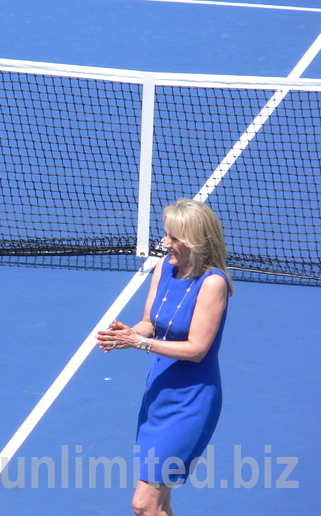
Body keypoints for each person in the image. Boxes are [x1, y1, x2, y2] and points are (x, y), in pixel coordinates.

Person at [96, 198, 233, 516]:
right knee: (160, 503)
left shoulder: (212, 284)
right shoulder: (164, 268)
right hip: (158, 394)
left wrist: (137, 343)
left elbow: (197, 350)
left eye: (173, 238)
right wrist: (126, 334)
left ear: (195, 240)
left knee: (143, 503)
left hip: (191, 401)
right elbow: (150, 322)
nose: (166, 243)